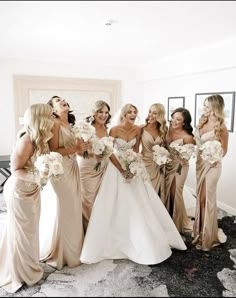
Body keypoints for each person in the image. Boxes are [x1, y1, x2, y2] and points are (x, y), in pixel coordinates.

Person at [80, 103, 186, 266]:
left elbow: (136, 151)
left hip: (134, 167)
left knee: (140, 203)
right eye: (129, 111)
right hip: (116, 168)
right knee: (115, 203)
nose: (132, 114)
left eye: (135, 112)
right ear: (123, 113)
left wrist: (134, 166)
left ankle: (145, 238)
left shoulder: (138, 129)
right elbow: (109, 152)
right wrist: (122, 169)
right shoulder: (113, 130)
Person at [0, 104, 54, 293]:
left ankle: (28, 265)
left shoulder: (43, 138)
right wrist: (38, 177)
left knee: (30, 231)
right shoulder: (27, 141)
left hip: (32, 189)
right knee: (22, 233)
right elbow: (15, 170)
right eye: (50, 115)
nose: (53, 118)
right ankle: (20, 273)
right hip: (19, 191)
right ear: (40, 118)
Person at [39, 95, 88, 270]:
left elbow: (79, 152)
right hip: (60, 170)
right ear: (52, 108)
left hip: (73, 167)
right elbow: (53, 150)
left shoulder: (71, 125)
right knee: (67, 207)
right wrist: (76, 149)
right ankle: (63, 252)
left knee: (75, 207)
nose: (63, 100)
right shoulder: (54, 124)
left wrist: (84, 148)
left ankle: (74, 249)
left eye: (64, 99)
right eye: (58, 100)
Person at [192, 94, 228, 251]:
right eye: (204, 105)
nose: (204, 109)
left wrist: (212, 155)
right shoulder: (202, 122)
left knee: (208, 199)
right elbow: (196, 143)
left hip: (213, 166)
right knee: (200, 199)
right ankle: (200, 232)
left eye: (207, 106)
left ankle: (208, 237)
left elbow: (224, 150)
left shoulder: (222, 128)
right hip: (199, 164)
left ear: (215, 108)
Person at [78, 100, 112, 232]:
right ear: (94, 113)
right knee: (88, 201)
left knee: (101, 201)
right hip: (87, 168)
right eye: (100, 112)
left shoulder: (106, 129)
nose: (104, 115)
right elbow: (79, 150)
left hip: (103, 167)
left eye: (106, 112)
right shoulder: (85, 127)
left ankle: (98, 233)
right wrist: (94, 153)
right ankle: (88, 232)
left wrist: (104, 154)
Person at [165, 108, 195, 233]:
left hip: (180, 166)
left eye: (178, 119)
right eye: (173, 117)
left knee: (176, 191)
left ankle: (178, 222)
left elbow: (187, 156)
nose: (174, 121)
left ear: (184, 122)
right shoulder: (167, 131)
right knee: (167, 192)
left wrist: (180, 157)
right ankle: (168, 218)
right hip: (167, 165)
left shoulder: (187, 137)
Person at [140, 103, 168, 203]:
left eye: (154, 113)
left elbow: (166, 148)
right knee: (145, 193)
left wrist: (164, 157)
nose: (150, 115)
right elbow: (134, 147)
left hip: (158, 166)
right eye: (149, 112)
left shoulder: (164, 130)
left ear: (160, 115)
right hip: (144, 165)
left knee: (156, 195)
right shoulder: (141, 129)